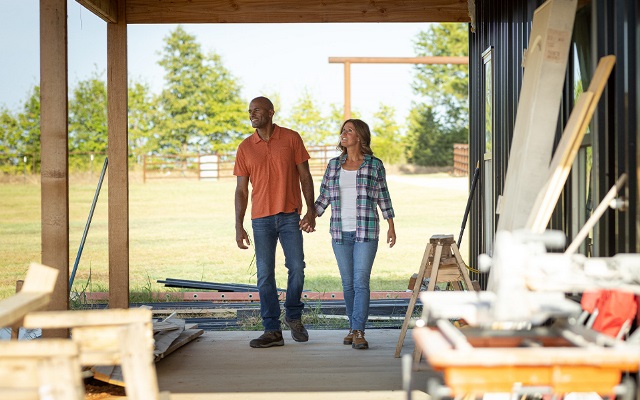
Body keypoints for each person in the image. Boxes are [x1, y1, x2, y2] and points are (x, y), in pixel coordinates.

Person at [234, 96, 316, 348]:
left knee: (297, 267)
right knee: (265, 275)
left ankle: (293, 314)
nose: (251, 114)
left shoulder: (291, 138)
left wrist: (310, 210)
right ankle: (272, 330)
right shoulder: (245, 147)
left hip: (290, 215)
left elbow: (305, 176)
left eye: (256, 110)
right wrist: (239, 225)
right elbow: (241, 190)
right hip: (261, 220)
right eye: (249, 111)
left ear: (270, 112)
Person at [309, 118, 396, 350]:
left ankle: (359, 330)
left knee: (360, 282)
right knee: (347, 284)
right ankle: (352, 327)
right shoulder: (333, 165)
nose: (343, 134)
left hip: (366, 231)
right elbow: (324, 196)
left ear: (360, 136)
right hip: (339, 232)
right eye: (342, 131)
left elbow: (383, 196)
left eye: (349, 130)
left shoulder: (374, 165)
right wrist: (309, 218)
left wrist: (391, 225)